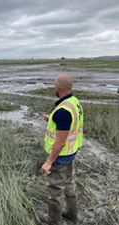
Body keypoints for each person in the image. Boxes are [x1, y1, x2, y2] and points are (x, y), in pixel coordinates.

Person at [40, 74, 83, 225]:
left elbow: (59, 142)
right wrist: (50, 118)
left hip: (61, 156)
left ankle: (53, 221)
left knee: (55, 190)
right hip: (72, 152)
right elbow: (68, 123)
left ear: (59, 87)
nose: (54, 87)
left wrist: (48, 162)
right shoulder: (73, 101)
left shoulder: (63, 111)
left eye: (55, 84)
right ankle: (71, 214)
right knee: (69, 183)